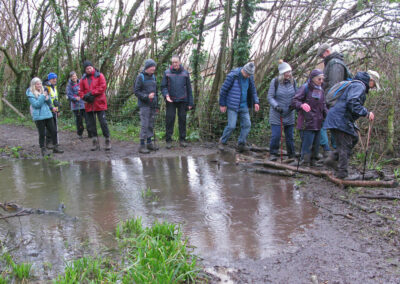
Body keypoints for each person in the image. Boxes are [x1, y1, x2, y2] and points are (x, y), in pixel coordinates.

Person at [323, 71, 379, 179]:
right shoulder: (359, 86)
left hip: (338, 117)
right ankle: (342, 173)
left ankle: (332, 158)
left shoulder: (356, 84)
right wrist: (366, 113)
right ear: (370, 80)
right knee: (345, 144)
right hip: (340, 118)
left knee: (354, 137)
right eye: (374, 85)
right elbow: (352, 103)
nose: (373, 88)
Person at [317, 43, 352, 156]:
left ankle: (335, 153)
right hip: (333, 101)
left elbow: (334, 86)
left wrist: (327, 102)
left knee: (330, 125)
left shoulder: (335, 64)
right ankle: (334, 153)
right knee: (330, 125)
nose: (322, 59)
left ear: (327, 52)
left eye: (322, 56)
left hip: (334, 102)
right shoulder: (333, 63)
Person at [218, 62, 260, 152]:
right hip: (232, 105)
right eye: (247, 74)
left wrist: (256, 102)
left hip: (244, 105)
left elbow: (253, 90)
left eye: (250, 74)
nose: (248, 76)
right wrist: (222, 104)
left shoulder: (250, 77)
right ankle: (222, 141)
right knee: (231, 126)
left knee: (247, 124)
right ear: (243, 70)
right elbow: (223, 90)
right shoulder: (233, 76)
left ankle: (241, 144)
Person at [291, 69, 328, 166]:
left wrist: (328, 116)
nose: (321, 81)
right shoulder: (305, 88)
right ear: (312, 79)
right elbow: (294, 101)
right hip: (306, 122)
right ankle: (304, 162)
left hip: (318, 122)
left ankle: (313, 162)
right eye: (319, 79)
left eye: (322, 79)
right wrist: (301, 105)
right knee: (307, 144)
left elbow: (323, 105)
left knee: (316, 145)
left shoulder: (321, 90)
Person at [161, 55, 194, 148]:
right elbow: (163, 87)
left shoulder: (185, 73)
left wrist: (190, 102)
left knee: (182, 120)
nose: (174, 64)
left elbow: (189, 89)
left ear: (179, 62)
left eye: (176, 62)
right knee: (170, 120)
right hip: (170, 100)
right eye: (173, 62)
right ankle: (168, 140)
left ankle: (182, 140)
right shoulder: (167, 73)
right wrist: (166, 95)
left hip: (183, 100)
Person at [267, 60, 297, 161]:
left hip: (289, 113)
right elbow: (270, 97)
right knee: (276, 135)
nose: (288, 74)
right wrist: (276, 106)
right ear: (282, 74)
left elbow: (296, 95)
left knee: (290, 136)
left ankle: (291, 155)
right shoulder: (275, 82)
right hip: (277, 113)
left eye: (289, 72)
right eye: (286, 72)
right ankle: (273, 153)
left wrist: (294, 104)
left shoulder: (294, 82)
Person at [26, 77, 63, 156]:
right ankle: (43, 149)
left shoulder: (44, 91)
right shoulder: (30, 94)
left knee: (53, 131)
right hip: (39, 116)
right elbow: (36, 105)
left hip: (48, 114)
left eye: (40, 83)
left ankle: (55, 147)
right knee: (42, 133)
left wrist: (48, 99)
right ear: (33, 85)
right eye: (37, 84)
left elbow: (49, 102)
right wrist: (43, 96)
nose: (39, 85)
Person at [79, 60, 111, 151]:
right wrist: (85, 97)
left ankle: (107, 140)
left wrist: (92, 93)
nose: (89, 70)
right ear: (85, 70)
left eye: (90, 68)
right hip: (89, 104)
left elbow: (103, 86)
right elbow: (80, 91)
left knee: (103, 123)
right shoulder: (83, 79)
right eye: (87, 68)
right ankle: (94, 142)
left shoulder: (99, 75)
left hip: (99, 103)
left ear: (92, 67)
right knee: (91, 125)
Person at [134, 59, 159, 154]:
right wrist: (146, 96)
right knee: (144, 125)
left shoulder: (154, 77)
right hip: (144, 105)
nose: (154, 69)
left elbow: (156, 92)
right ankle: (142, 145)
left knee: (150, 124)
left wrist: (157, 105)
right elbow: (136, 91)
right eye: (152, 67)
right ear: (147, 68)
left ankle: (149, 143)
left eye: (154, 67)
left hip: (152, 105)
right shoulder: (140, 77)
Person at [66, 71, 89, 139]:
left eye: (75, 76)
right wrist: (75, 98)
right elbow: (69, 95)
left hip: (83, 104)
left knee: (88, 119)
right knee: (79, 120)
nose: (74, 77)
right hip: (76, 106)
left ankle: (90, 133)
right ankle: (80, 134)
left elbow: (85, 90)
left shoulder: (80, 82)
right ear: (71, 77)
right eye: (73, 76)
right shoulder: (69, 85)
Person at [43, 72, 60, 149]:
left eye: (55, 78)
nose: (55, 80)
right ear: (49, 79)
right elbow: (45, 99)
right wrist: (51, 108)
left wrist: (58, 110)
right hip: (48, 110)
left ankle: (54, 142)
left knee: (54, 127)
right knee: (50, 127)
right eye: (53, 78)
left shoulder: (54, 87)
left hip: (54, 110)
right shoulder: (46, 88)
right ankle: (48, 142)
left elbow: (55, 99)